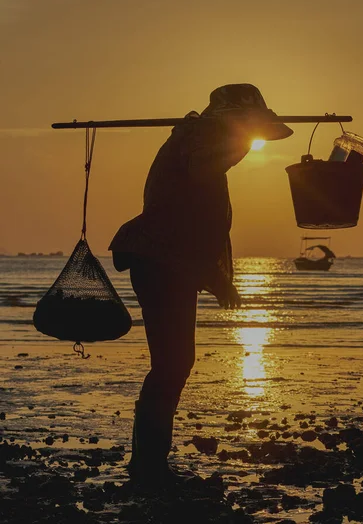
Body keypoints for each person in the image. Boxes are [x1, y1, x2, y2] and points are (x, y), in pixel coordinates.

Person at [109, 83, 292, 489]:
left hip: (170, 261)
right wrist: (244, 140)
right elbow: (199, 174)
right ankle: (148, 469)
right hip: (160, 259)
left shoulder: (202, 138)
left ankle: (148, 465)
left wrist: (218, 280)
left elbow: (198, 226)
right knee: (172, 363)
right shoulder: (197, 135)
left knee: (174, 362)